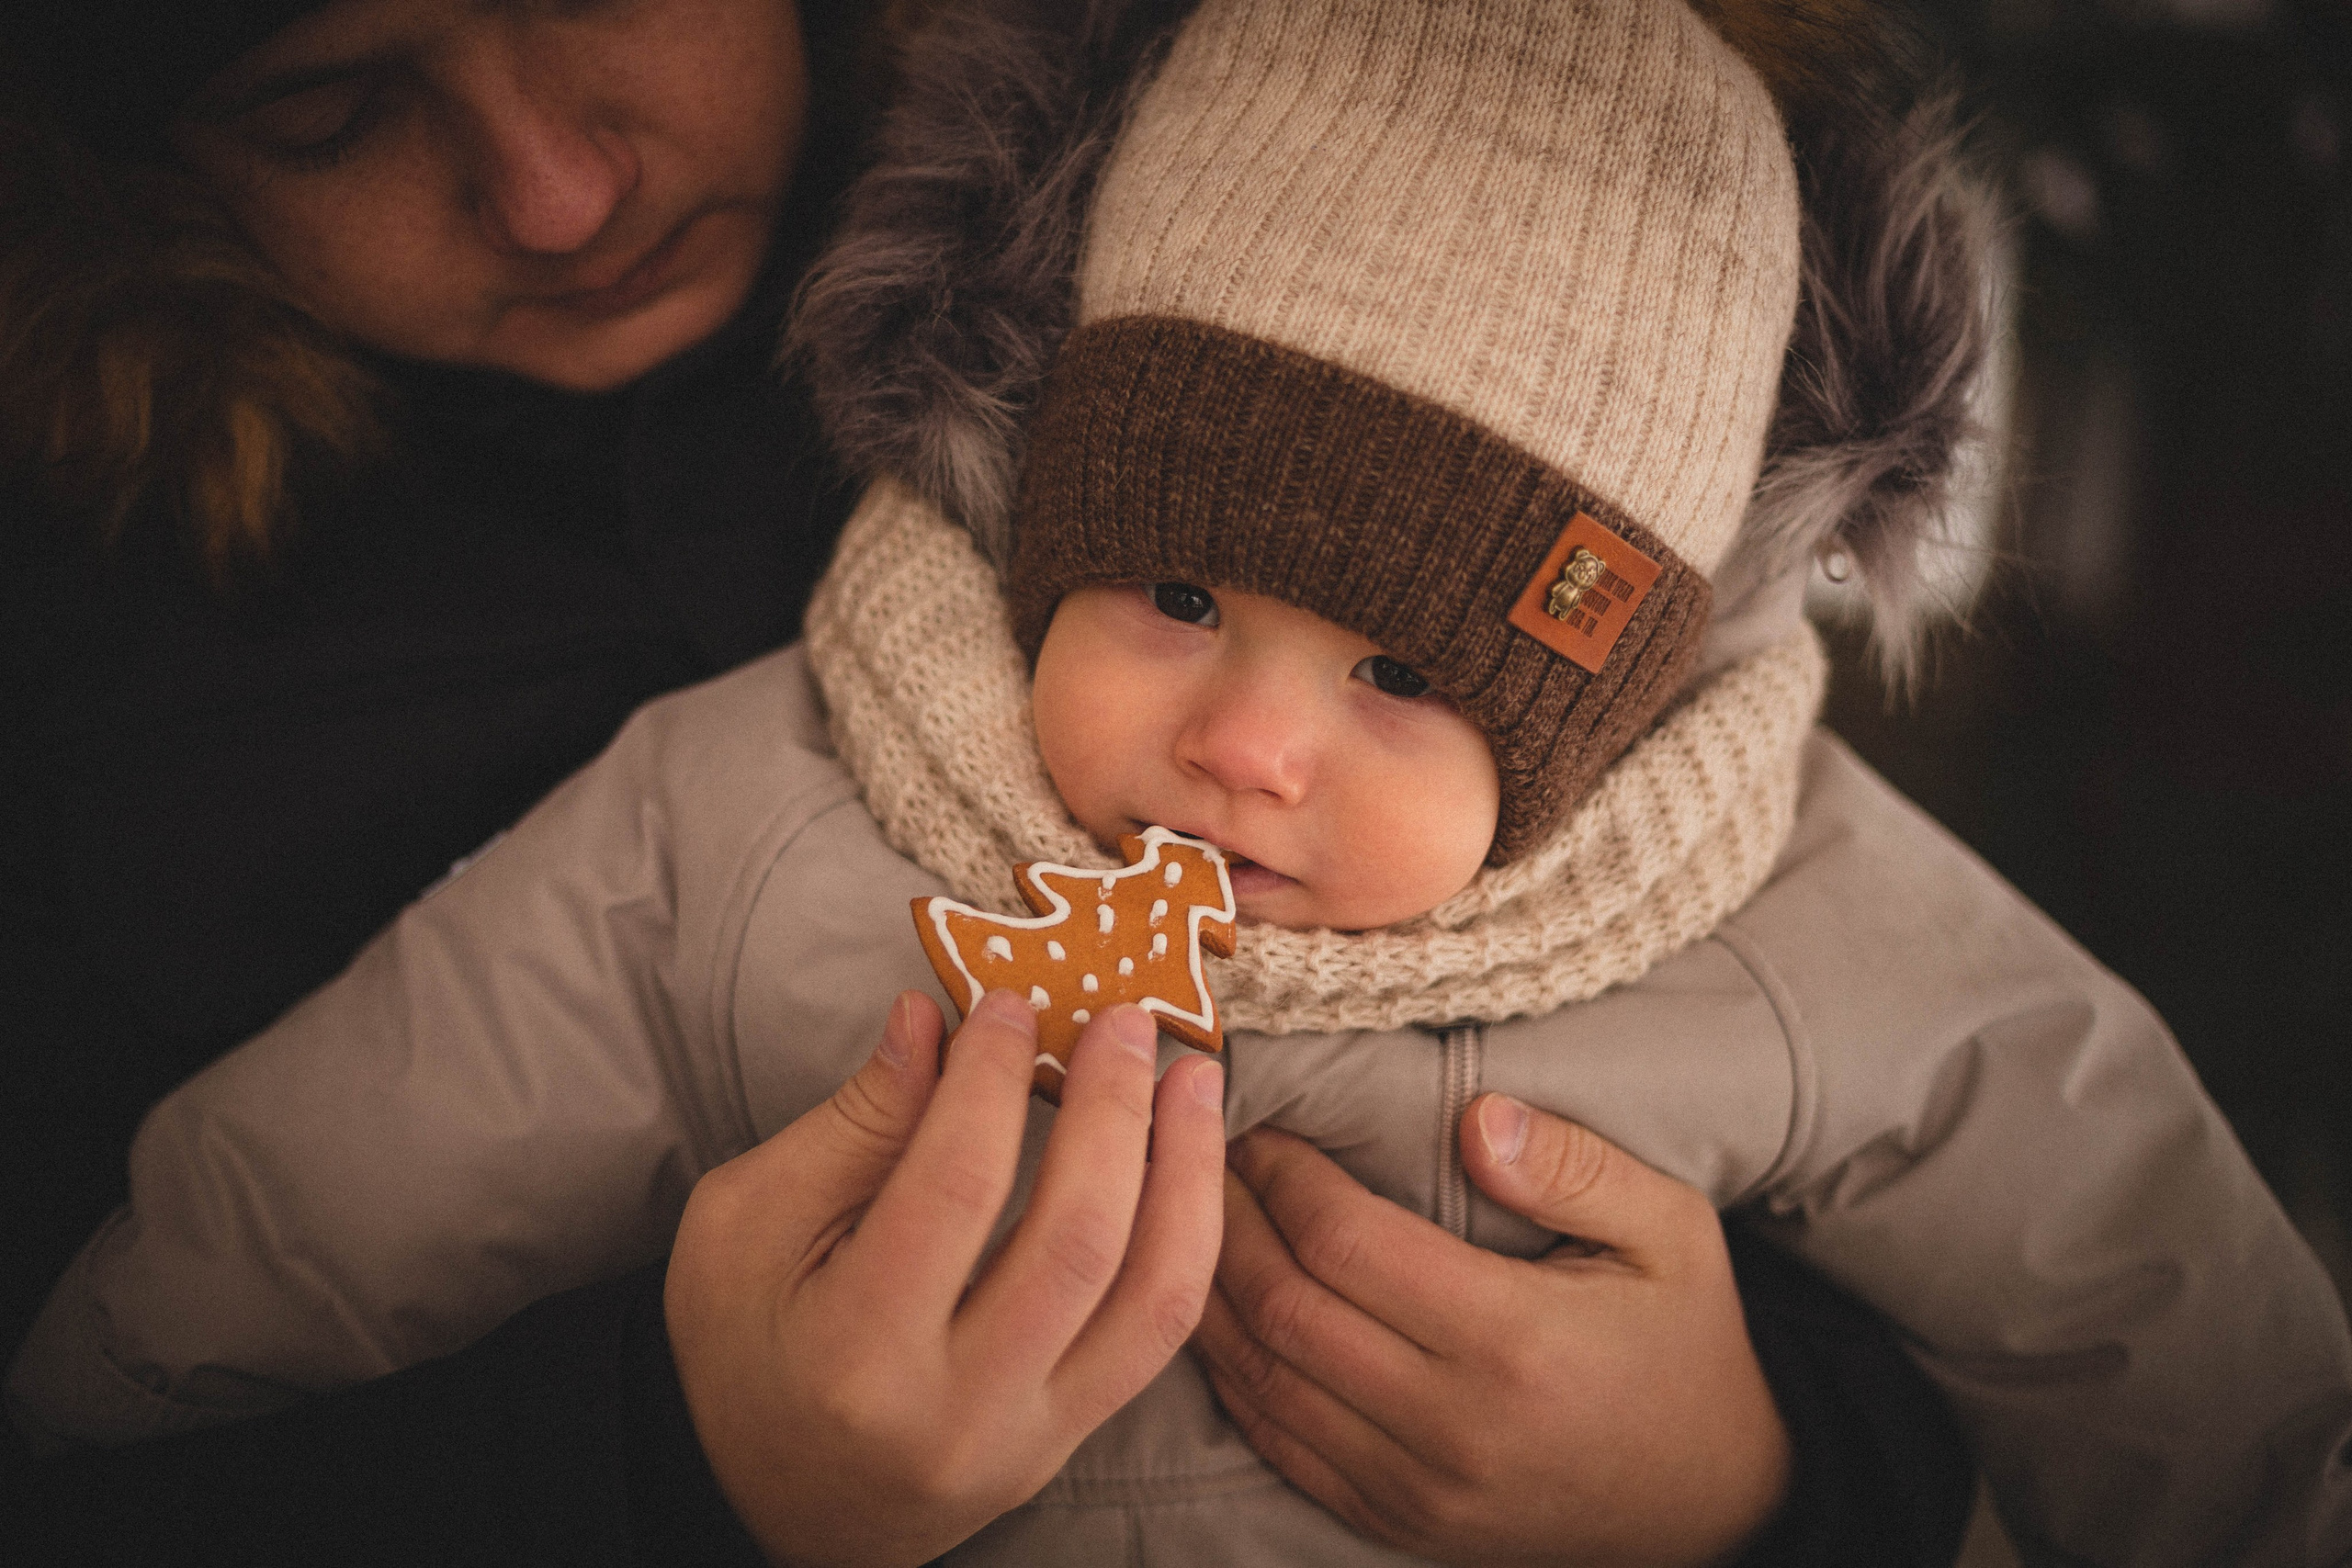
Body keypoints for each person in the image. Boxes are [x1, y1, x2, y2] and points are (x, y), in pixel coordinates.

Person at [25, 0, 2352, 1562]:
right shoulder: (783, 780)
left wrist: (1749, 1481)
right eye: (320, 102)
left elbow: (2112, 1255)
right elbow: (375, 1147)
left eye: (1404, 673)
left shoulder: (1754, 894)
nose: (1247, 738)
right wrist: (664, 1458)